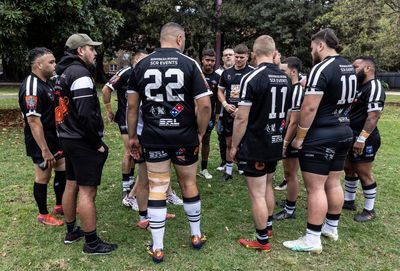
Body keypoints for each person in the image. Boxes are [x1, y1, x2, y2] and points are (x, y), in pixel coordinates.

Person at [126, 22, 211, 263]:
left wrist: (133, 136)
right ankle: (195, 235)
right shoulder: (190, 64)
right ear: (180, 39)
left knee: (157, 186)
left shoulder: (141, 64)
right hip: (184, 136)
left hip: (153, 137)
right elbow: (204, 105)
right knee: (188, 183)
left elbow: (132, 106)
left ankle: (158, 247)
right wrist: (200, 133)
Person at [283, 28, 355, 253]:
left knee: (316, 188)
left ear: (321, 45)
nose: (311, 51)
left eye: (312, 46)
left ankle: (312, 239)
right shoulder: (348, 66)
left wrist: (300, 137)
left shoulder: (321, 67)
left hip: (322, 134)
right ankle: (331, 227)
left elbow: (310, 106)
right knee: (334, 182)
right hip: (344, 129)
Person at [54, 33, 117, 255]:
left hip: (67, 137)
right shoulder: (80, 74)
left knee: (71, 182)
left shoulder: (62, 74)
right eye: (91, 48)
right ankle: (91, 243)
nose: (95, 52)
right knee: (87, 191)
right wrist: (96, 142)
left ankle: (72, 231)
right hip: (81, 140)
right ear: (80, 51)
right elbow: (86, 114)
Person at [231, 35, 291, 252]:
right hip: (275, 140)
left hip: (256, 142)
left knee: (257, 192)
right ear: (274, 53)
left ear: (254, 55)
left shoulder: (251, 77)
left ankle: (261, 240)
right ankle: (268, 226)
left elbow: (241, 117)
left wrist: (234, 146)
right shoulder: (285, 78)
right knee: (267, 184)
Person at [18, 47, 66, 226]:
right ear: (39, 64)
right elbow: (33, 122)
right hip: (40, 140)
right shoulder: (31, 85)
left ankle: (60, 205)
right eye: (51, 62)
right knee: (43, 177)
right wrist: (44, 150)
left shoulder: (47, 81)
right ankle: (43, 214)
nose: (55, 65)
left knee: (62, 169)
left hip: (54, 137)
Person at [102, 50, 148, 204]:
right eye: (141, 60)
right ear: (134, 61)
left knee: (138, 152)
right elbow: (106, 89)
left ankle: (132, 182)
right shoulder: (125, 73)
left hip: (141, 121)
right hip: (125, 118)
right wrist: (109, 110)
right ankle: (125, 187)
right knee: (129, 151)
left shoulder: (148, 74)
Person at [343, 56, 385, 222]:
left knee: (363, 172)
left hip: (365, 138)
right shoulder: (358, 86)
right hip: (351, 135)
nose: (353, 70)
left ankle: (369, 209)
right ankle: (349, 201)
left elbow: (373, 116)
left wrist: (361, 139)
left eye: (356, 67)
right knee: (349, 168)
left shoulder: (374, 87)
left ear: (367, 69)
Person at [274, 57, 304, 220]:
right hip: (286, 135)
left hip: (291, 138)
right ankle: (289, 202)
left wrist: (285, 143)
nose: (281, 74)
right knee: (288, 173)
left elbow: (294, 121)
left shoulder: (297, 90)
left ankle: (290, 210)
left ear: (293, 72)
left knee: (291, 174)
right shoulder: (290, 88)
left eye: (283, 71)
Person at [217, 44, 254, 181]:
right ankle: (228, 171)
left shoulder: (252, 72)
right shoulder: (226, 73)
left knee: (245, 142)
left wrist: (242, 109)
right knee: (229, 142)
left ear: (247, 56)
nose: (238, 60)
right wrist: (225, 105)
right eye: (236, 57)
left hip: (245, 113)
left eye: (241, 57)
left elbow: (257, 94)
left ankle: (244, 167)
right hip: (229, 112)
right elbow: (220, 91)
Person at [197, 48, 220, 180]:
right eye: (207, 60)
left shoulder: (217, 77)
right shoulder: (196, 74)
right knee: (193, 140)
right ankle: (191, 165)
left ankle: (204, 168)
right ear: (202, 60)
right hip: (193, 114)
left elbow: (218, 98)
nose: (209, 63)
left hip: (209, 115)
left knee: (206, 140)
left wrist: (216, 116)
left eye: (212, 60)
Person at [215, 48, 235, 172]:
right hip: (221, 110)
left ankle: (238, 162)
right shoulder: (217, 73)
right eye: (225, 55)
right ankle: (224, 161)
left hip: (235, 110)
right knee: (222, 137)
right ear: (222, 58)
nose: (228, 57)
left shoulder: (244, 72)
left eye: (230, 55)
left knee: (238, 137)